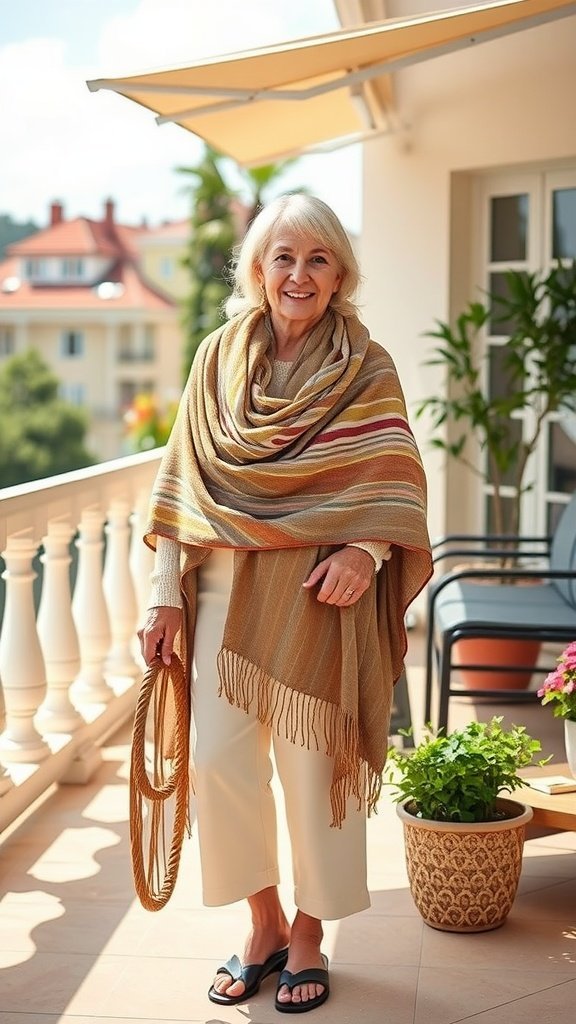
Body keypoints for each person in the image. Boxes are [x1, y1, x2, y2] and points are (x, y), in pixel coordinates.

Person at [138, 193, 432, 1014]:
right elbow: (182, 485)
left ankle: (309, 933)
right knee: (221, 765)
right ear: (258, 270)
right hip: (223, 595)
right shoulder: (215, 359)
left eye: (317, 259)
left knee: (314, 774)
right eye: (282, 258)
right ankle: (262, 923)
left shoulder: (366, 366)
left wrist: (365, 552)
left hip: (315, 596)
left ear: (340, 274)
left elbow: (394, 479)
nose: (298, 275)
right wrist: (166, 596)